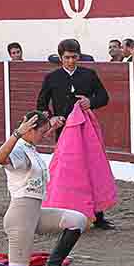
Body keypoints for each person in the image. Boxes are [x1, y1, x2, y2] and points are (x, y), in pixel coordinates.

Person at [0, 111, 91, 266]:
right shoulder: (18, 148)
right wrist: (17, 133)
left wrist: (49, 126)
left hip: (34, 214)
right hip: (20, 218)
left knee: (77, 220)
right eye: (42, 132)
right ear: (30, 130)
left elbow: (32, 139)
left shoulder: (28, 146)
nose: (44, 136)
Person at [36, 39, 114, 230]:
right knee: (67, 171)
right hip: (63, 130)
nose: (71, 61)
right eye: (67, 57)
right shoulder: (52, 77)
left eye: (74, 57)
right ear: (60, 57)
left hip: (86, 129)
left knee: (90, 169)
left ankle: (97, 215)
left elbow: (104, 97)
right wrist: (52, 119)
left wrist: (90, 102)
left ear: (79, 56)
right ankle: (65, 211)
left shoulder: (89, 75)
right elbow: (41, 104)